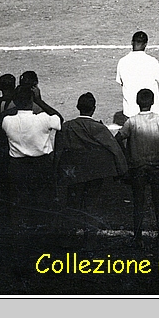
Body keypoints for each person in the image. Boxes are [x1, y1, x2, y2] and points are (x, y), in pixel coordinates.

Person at [53, 92, 128, 237]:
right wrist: (123, 170)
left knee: (72, 203)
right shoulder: (98, 128)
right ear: (93, 108)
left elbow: (58, 151)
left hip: (73, 173)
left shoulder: (67, 126)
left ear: (77, 107)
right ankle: (90, 237)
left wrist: (56, 171)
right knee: (91, 204)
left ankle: (70, 236)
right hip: (94, 173)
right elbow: (114, 149)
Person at [0, 78, 63, 232]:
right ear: (31, 100)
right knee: (43, 204)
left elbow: (4, 117)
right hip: (42, 165)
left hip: (18, 167)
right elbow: (59, 119)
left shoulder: (7, 120)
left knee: (21, 206)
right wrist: (40, 101)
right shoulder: (43, 119)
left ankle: (23, 238)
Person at [116, 88, 159, 246]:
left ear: (137, 103)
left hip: (138, 166)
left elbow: (119, 137)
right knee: (158, 201)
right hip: (156, 165)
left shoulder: (132, 121)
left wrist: (126, 151)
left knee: (139, 201)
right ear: (152, 103)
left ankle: (137, 237)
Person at [116, 30, 159, 121]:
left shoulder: (122, 62)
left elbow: (121, 82)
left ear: (132, 42)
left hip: (130, 111)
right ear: (145, 44)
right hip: (151, 112)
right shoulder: (152, 61)